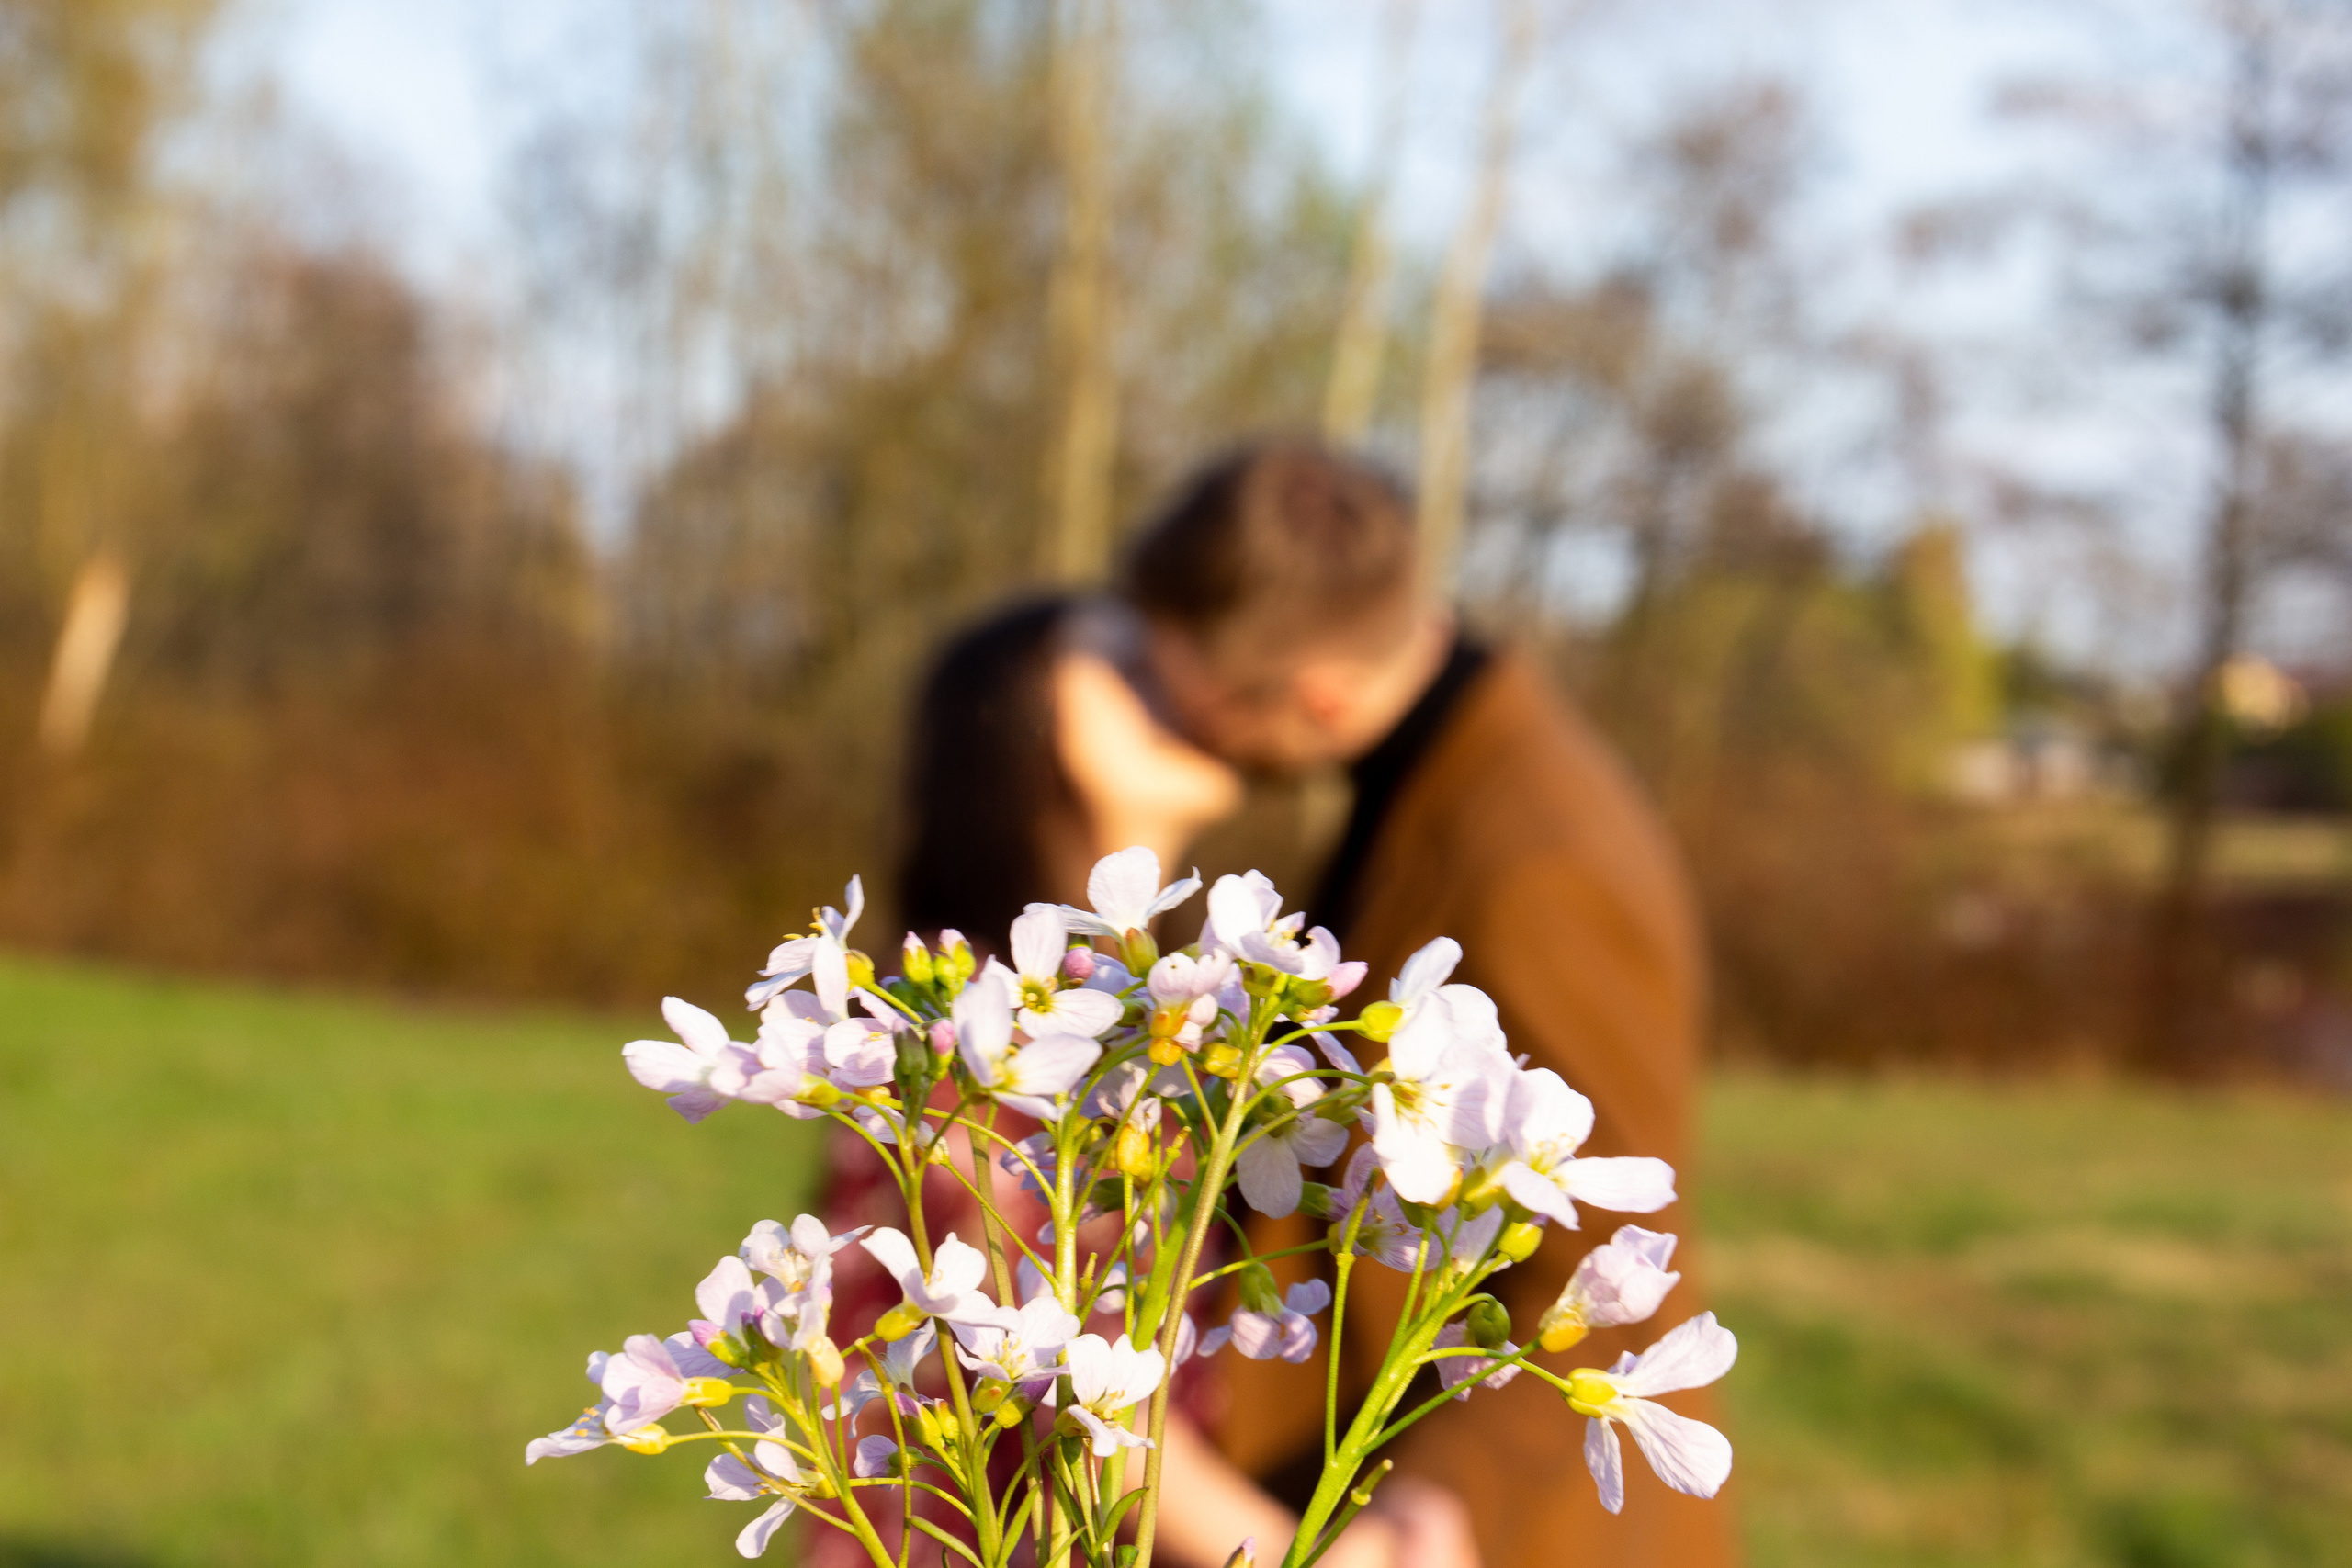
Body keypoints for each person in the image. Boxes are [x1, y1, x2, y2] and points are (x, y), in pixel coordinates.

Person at [1120, 440, 1740, 1568]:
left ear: (1313, 691)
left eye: (1189, 694)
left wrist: (1436, 1508)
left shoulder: (1537, 859)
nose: (1169, 715)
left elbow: (1614, 1258)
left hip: (1521, 1531)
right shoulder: (1437, 780)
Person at [825, 592, 1475, 1568]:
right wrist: (1310, 1556)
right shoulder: (962, 1022)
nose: (1180, 685)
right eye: (1127, 670)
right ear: (1016, 735)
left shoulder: (1165, 1009)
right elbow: (1060, 1388)